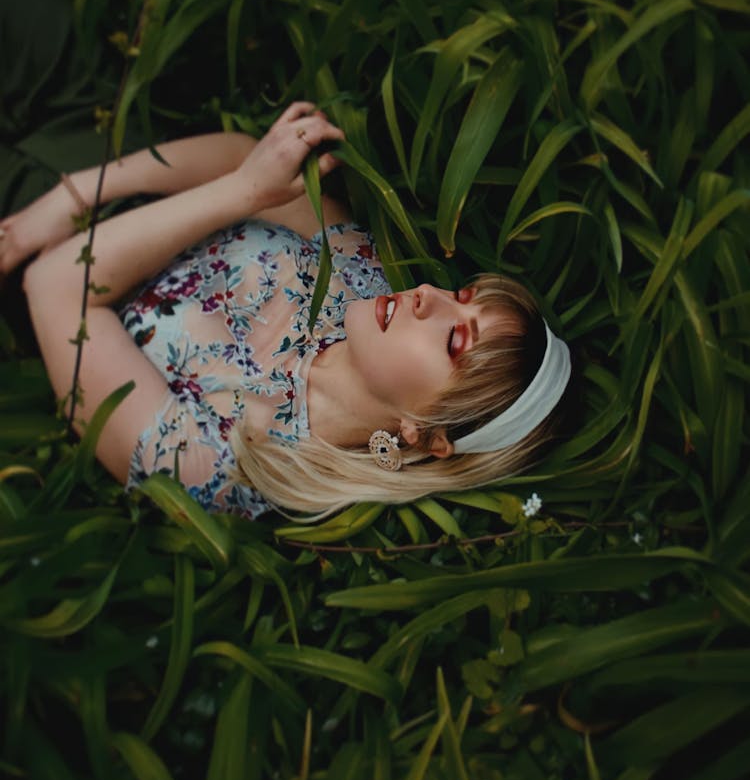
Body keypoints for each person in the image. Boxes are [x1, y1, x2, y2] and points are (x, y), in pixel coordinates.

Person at [0, 102, 571, 518]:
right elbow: (245, 163)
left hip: (30, 244)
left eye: (454, 341)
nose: (431, 296)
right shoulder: (358, 277)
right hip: (113, 145)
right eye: (463, 296)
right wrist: (80, 190)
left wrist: (243, 193)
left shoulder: (227, 467)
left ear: (425, 433)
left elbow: (56, 289)